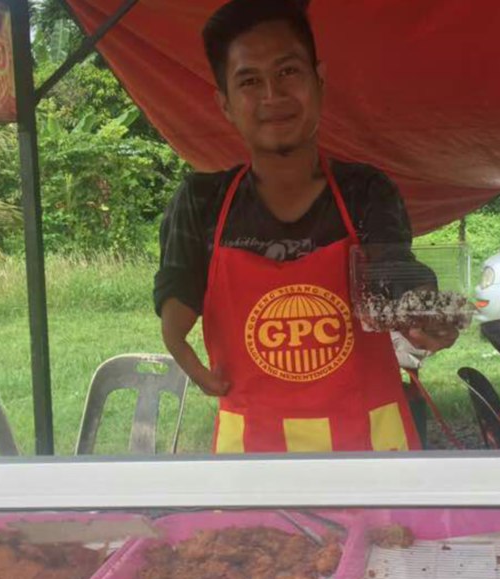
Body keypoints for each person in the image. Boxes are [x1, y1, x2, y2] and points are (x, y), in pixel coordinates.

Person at [155, 0, 457, 454]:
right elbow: (178, 295)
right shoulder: (203, 202)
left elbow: (395, 275)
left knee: (389, 531)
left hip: (371, 447)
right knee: (249, 532)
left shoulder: (366, 192)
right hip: (253, 455)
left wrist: (424, 317)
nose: (272, 95)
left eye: (288, 72)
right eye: (250, 81)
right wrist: (179, 346)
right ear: (225, 104)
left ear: (319, 80)